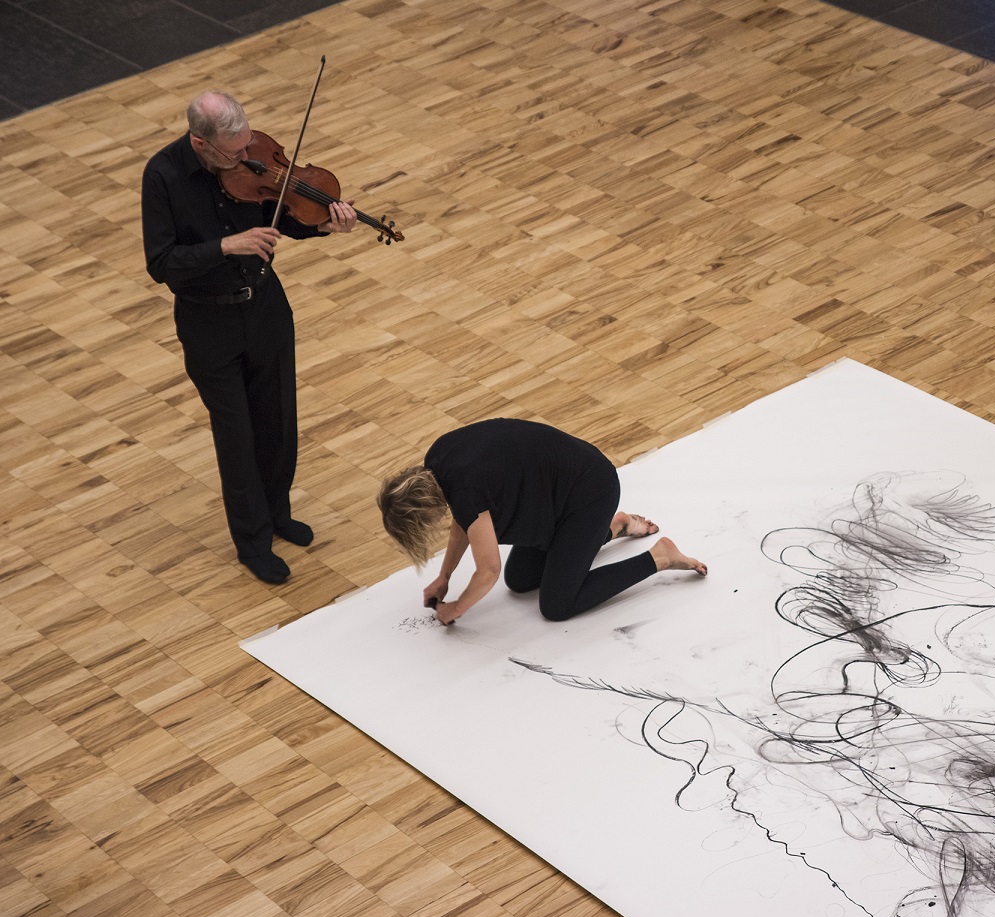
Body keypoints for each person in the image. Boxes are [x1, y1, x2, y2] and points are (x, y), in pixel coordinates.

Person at [141, 90, 358, 584]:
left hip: (264, 308)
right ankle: (253, 542)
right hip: (208, 322)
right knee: (236, 436)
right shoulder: (162, 176)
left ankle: (277, 513)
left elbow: (280, 214)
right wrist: (226, 245)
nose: (248, 158)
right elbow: (161, 263)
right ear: (201, 142)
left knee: (277, 420)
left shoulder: (254, 155)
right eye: (235, 151)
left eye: (246, 144)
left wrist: (324, 225)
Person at [378, 418, 707, 625]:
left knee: (557, 605)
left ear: (422, 509)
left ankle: (660, 557)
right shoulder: (438, 459)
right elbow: (465, 522)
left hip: (590, 490)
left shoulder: (465, 491)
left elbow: (488, 570)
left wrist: (457, 608)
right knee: (520, 580)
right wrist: (445, 577)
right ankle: (613, 527)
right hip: (552, 497)